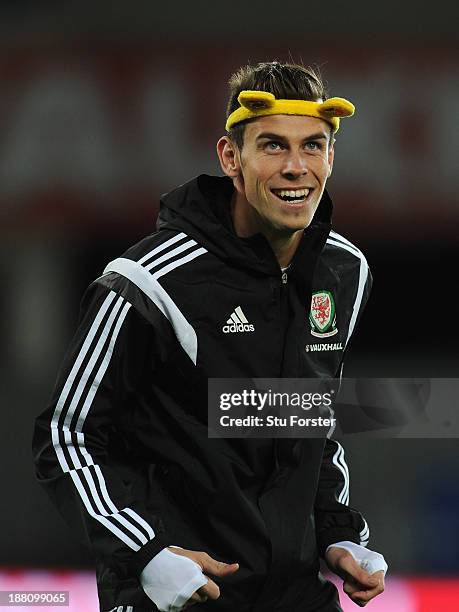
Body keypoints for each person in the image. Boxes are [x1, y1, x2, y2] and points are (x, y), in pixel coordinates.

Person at [33, 61, 387, 612]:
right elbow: (66, 437)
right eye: (272, 146)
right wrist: (147, 554)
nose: (297, 167)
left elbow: (309, 417)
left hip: (296, 596)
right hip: (178, 594)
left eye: (313, 146)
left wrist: (337, 533)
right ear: (231, 159)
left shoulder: (345, 271)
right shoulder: (147, 282)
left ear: (331, 157)